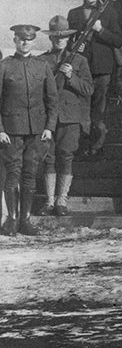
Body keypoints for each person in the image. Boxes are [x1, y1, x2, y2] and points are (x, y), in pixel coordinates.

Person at [0, 24, 57, 235]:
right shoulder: (4, 66)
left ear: (34, 42)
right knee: (13, 175)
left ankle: (26, 220)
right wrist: (0, 129)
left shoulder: (42, 66)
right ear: (15, 40)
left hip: (36, 130)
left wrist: (49, 127)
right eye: (21, 39)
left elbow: (52, 100)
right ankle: (12, 221)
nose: (25, 43)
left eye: (29, 39)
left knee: (30, 176)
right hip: (11, 131)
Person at [37, 16, 92, 217]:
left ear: (69, 38)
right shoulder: (42, 60)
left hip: (70, 118)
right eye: (55, 37)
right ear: (51, 38)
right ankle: (50, 201)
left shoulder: (80, 61)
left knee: (66, 158)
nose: (59, 40)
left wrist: (71, 76)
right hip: (48, 118)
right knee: (49, 158)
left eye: (63, 37)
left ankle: (62, 201)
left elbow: (88, 89)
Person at [67, 0, 122, 159]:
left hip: (102, 68)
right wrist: (76, 45)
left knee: (99, 109)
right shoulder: (73, 13)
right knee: (83, 107)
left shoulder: (109, 12)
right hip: (82, 68)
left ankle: (97, 146)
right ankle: (82, 145)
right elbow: (69, 41)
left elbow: (118, 39)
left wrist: (101, 30)